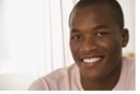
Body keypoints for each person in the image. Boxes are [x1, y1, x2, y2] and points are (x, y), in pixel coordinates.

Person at [28, 0, 135, 90]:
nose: (87, 47)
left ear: (124, 37)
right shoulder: (45, 88)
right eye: (77, 37)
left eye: (100, 34)